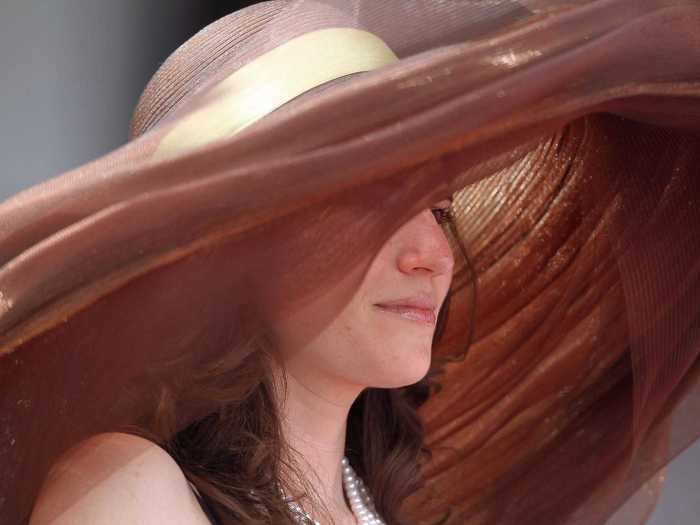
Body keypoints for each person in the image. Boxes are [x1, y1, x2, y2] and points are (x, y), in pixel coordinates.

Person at [2, 1, 700, 524]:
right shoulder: (130, 490)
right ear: (233, 244)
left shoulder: (375, 505)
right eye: (372, 211)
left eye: (438, 208)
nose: (432, 256)